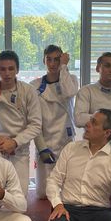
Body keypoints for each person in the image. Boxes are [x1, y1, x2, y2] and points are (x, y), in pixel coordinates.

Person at [0, 50, 41, 198]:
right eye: (2, 69)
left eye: (11, 68)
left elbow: (36, 125)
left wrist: (15, 142)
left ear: (17, 70)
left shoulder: (28, 91)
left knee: (20, 197)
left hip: (20, 149)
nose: (7, 73)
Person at [30, 45, 78, 199]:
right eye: (49, 59)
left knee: (67, 193)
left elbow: (69, 93)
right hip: (46, 141)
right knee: (44, 194)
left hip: (66, 139)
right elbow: (33, 120)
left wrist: (64, 67)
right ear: (43, 60)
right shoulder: (35, 86)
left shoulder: (71, 80)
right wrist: (41, 147)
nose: (52, 64)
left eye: (57, 59)